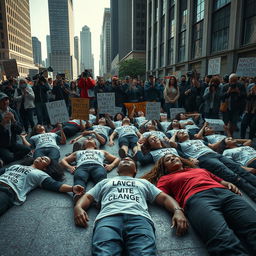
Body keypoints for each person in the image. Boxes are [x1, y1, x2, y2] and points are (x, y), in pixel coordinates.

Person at [142, 154, 256, 256]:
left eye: (174, 156)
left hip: (226, 194)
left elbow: (218, 179)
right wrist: (177, 211)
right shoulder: (165, 179)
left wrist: (227, 183)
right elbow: (163, 197)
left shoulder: (199, 170)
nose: (172, 158)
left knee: (253, 226)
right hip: (197, 200)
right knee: (222, 237)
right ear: (165, 168)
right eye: (168, 159)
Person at [74, 157, 188, 255]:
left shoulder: (144, 182)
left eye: (130, 160)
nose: (126, 159)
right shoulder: (105, 182)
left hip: (140, 220)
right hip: (108, 219)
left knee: (144, 253)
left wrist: (178, 211)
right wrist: (78, 207)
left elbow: (164, 198)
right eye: (123, 160)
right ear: (117, 170)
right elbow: (88, 197)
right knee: (104, 253)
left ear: (135, 170)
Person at [169, 130, 256, 201]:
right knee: (231, 174)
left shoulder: (199, 140)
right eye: (180, 133)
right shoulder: (180, 144)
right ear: (178, 138)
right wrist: (175, 133)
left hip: (215, 154)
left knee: (240, 169)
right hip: (203, 157)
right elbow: (171, 142)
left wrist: (224, 138)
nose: (182, 132)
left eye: (183, 131)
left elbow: (212, 146)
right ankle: (253, 193)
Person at [0, 156, 84, 216]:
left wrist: (72, 188)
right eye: (42, 157)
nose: (41, 158)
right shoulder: (16, 165)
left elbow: (55, 185)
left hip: (6, 191)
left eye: (45, 160)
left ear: (45, 168)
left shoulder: (40, 174)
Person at [0, 92, 31, 165]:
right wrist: (2, 123)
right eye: (2, 101)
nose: (5, 102)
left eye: (6, 100)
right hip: (1, 145)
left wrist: (14, 120)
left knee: (27, 149)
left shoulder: (12, 111)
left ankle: (7, 158)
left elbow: (20, 130)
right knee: (9, 157)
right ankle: (9, 157)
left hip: (12, 142)